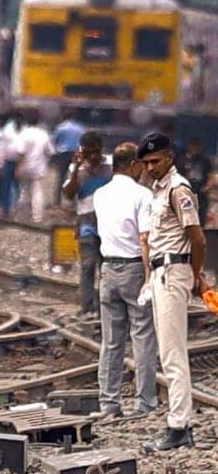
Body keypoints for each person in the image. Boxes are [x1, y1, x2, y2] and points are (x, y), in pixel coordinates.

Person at [138, 132, 211, 452]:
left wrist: (197, 276)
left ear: (170, 158)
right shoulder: (159, 189)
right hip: (162, 272)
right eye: (146, 162)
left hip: (173, 272)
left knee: (172, 354)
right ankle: (178, 423)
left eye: (155, 161)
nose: (150, 167)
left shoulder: (178, 189)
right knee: (168, 352)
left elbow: (198, 239)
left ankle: (179, 426)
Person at [92, 143, 158, 419]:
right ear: (133, 164)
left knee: (111, 341)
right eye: (142, 164)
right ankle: (144, 403)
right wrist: (149, 276)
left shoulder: (100, 193)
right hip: (133, 268)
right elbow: (145, 238)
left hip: (108, 268)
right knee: (142, 336)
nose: (144, 169)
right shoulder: (142, 195)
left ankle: (109, 404)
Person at [61, 131, 113, 315]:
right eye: (88, 152)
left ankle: (105, 305)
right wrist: (76, 168)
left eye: (95, 152)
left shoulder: (112, 165)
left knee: (107, 266)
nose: (92, 157)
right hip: (87, 224)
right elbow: (68, 193)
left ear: (102, 150)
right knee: (88, 265)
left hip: (111, 225)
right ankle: (87, 305)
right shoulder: (76, 169)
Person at [12, 112, 52, 224]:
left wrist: (17, 167)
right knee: (37, 192)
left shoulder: (23, 134)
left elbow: (20, 152)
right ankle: (37, 217)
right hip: (38, 167)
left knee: (23, 192)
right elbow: (50, 151)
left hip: (24, 166)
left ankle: (21, 216)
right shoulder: (44, 134)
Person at [51, 111, 87, 200]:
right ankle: (75, 200)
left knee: (61, 176)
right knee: (75, 177)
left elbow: (54, 140)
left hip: (63, 153)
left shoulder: (61, 127)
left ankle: (57, 200)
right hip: (76, 154)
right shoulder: (81, 128)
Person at [181, 137, 214, 224]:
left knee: (200, 218)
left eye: (197, 147)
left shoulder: (205, 161)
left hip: (201, 195)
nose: (195, 149)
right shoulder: (182, 160)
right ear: (189, 147)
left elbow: (210, 176)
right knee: (186, 218)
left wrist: (207, 187)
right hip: (186, 194)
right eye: (193, 146)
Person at [0, 113, 21, 218]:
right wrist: (0, 164)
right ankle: (5, 210)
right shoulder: (7, 131)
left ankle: (15, 210)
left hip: (20, 162)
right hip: (9, 162)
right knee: (6, 186)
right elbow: (1, 148)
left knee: (17, 187)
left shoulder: (24, 132)